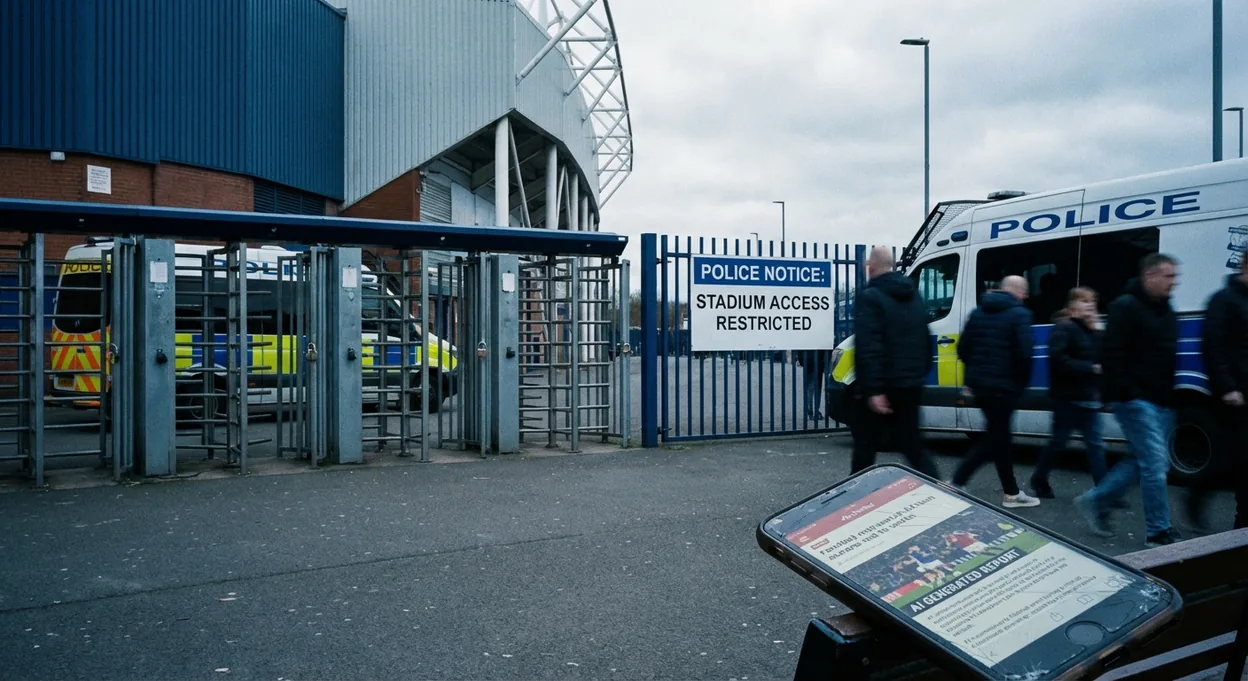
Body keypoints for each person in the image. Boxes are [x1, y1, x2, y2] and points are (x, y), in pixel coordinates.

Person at [1075, 253, 1181, 547]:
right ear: (1150, 275)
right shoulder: (1125, 307)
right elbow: (1112, 355)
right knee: (1156, 464)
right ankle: (1158, 532)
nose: (1174, 282)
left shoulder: (1165, 308)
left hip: (1160, 400)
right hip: (1134, 400)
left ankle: (1096, 500)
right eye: (1169, 276)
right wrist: (1128, 392)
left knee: (1142, 460)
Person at [849, 246, 940, 478]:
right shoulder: (913, 296)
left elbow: (869, 346)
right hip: (910, 384)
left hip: (884, 385)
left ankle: (856, 502)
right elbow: (926, 339)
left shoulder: (870, 297)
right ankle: (943, 494)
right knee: (913, 446)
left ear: (871, 267)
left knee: (865, 448)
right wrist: (918, 374)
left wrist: (874, 390)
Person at [950, 275, 1040, 508]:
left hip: (981, 386)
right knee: (995, 439)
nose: (1026, 296)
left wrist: (976, 373)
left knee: (1000, 438)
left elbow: (963, 348)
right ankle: (957, 481)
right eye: (1025, 291)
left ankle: (1011, 492)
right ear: (1017, 291)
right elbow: (1025, 354)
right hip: (1004, 387)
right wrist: (1020, 384)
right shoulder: (1020, 314)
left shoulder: (978, 312)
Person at [1186, 246, 1248, 531]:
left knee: (1236, 463)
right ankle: (1201, 498)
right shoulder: (1223, 300)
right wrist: (1227, 387)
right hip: (1233, 397)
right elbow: (1213, 345)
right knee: (1232, 463)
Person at [1030, 287, 1107, 498]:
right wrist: (1089, 368)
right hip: (1067, 398)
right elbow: (1059, 360)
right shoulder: (1063, 327)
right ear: (1072, 305)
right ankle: (1039, 479)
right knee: (1058, 443)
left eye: (1091, 301)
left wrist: (1097, 329)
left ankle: (1104, 492)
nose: (1089, 305)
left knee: (1095, 446)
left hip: (1088, 397)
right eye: (1083, 301)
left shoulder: (1089, 329)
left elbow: (1101, 356)